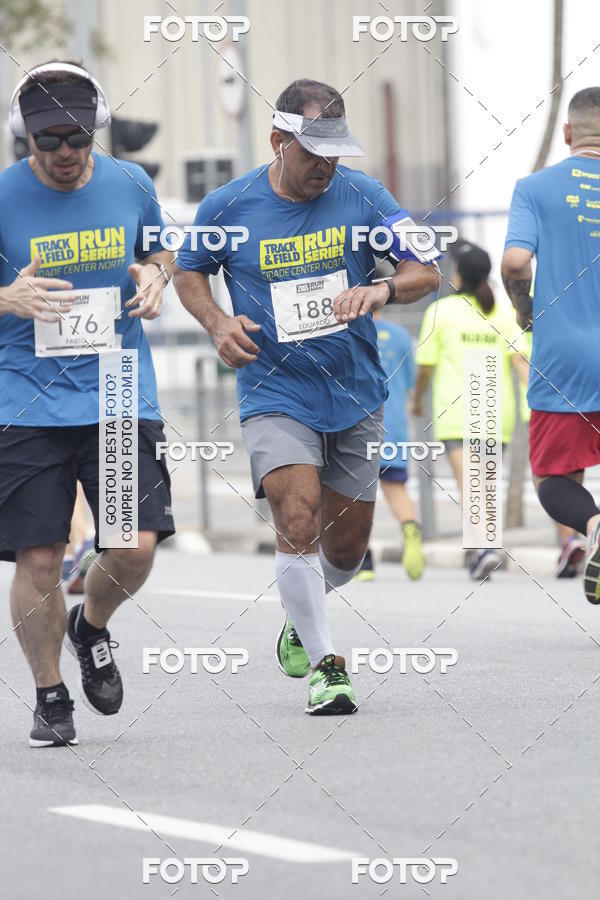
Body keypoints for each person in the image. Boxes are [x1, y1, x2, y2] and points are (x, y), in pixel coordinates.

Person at [174, 78, 439, 715]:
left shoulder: (366, 196)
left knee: (345, 549)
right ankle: (328, 668)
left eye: (335, 153)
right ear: (278, 141)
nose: (326, 166)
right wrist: (217, 322)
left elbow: (427, 271)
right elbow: (188, 273)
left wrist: (382, 291)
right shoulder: (227, 207)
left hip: (354, 390)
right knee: (296, 516)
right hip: (275, 388)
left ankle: (302, 610)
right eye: (313, 152)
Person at [0, 61, 175, 747]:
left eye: (77, 137)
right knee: (38, 559)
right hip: (25, 401)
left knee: (132, 547)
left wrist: (157, 277)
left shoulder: (131, 182)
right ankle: (49, 694)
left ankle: (91, 627)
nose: (65, 153)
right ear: (26, 138)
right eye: (49, 141)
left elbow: (159, 249)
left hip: (119, 389)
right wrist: (6, 297)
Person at [502, 86, 600, 604]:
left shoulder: (535, 189)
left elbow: (516, 263)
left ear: (568, 133)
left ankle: (594, 525)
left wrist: (524, 310)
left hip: (564, 358)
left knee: (556, 477)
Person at [412, 240, 529, 580]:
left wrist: (417, 399)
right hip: (496, 411)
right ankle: (484, 549)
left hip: (456, 412)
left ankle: (484, 549)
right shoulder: (504, 312)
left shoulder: (440, 312)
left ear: (459, 275)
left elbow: (425, 367)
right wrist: (540, 397)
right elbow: (521, 362)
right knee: (486, 485)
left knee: (470, 486)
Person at [355, 309, 425, 581]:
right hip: (392, 423)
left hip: (357, 424)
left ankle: (364, 561)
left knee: (355, 495)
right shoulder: (400, 336)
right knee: (396, 488)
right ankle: (411, 534)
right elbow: (408, 382)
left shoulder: (350, 332)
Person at [517, 334, 585, 578]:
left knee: (546, 480)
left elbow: (520, 365)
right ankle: (572, 540)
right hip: (578, 406)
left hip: (544, 410)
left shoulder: (528, 329)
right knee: (572, 474)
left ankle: (570, 540)